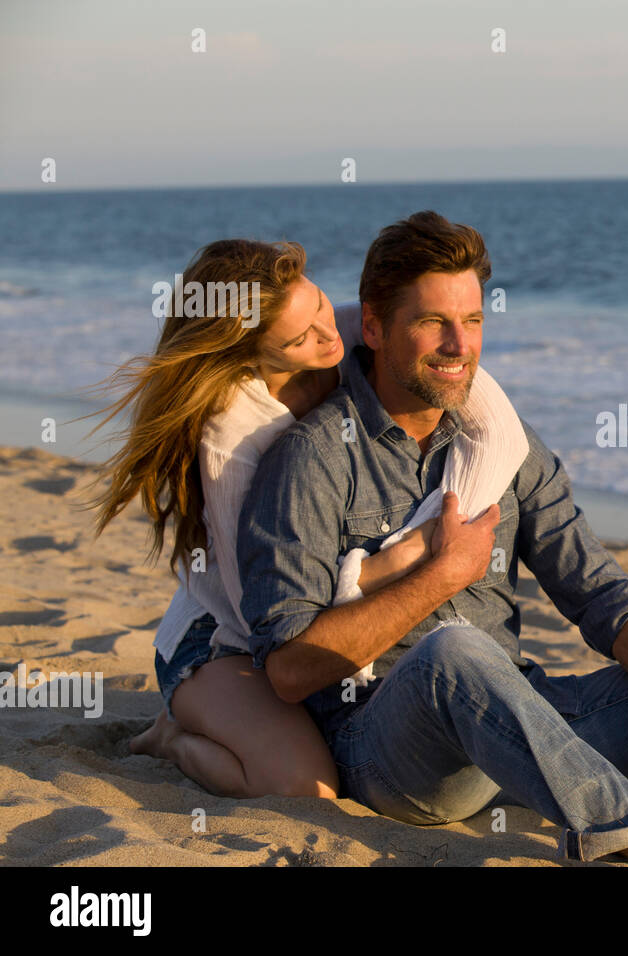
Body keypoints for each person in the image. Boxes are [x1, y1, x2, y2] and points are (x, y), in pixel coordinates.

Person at [237, 210, 628, 866]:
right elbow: (290, 671)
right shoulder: (313, 457)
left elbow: (601, 593)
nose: (460, 346)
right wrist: (439, 574)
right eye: (433, 322)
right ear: (373, 326)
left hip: (532, 727)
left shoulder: (499, 444)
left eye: (473, 322)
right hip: (396, 752)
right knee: (453, 651)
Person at [82, 238, 528, 798]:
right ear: (247, 353)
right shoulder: (232, 436)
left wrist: (442, 527)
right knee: (305, 789)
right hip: (222, 638)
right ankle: (173, 738)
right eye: (298, 339)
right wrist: (412, 556)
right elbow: (261, 614)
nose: (326, 335)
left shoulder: (348, 329)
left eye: (317, 303)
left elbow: (502, 434)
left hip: (303, 630)